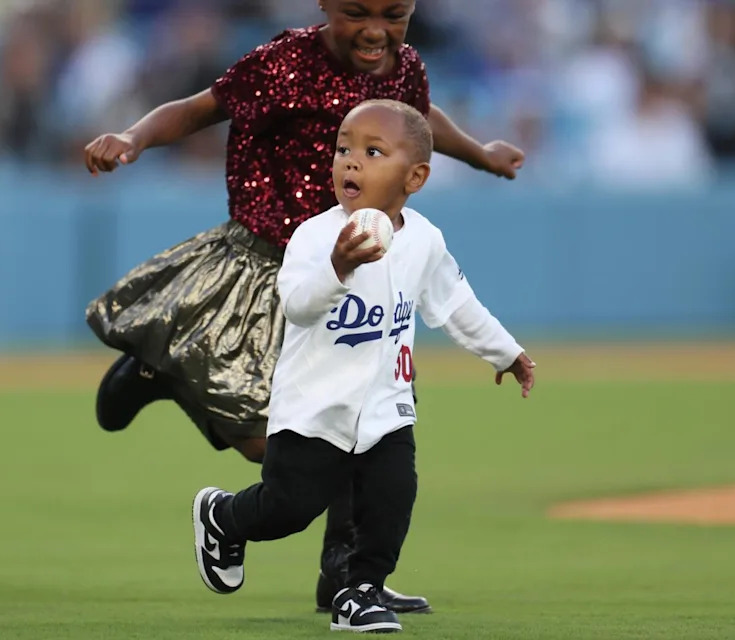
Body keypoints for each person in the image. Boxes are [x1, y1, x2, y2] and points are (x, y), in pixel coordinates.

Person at [83, 0, 525, 613]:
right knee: (280, 445)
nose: (376, 30)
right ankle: (171, 369)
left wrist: (480, 153)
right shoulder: (284, 61)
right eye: (355, 12)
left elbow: (418, 121)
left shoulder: (405, 67)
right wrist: (132, 137)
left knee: (368, 420)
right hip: (267, 263)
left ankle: (345, 578)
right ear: (324, 5)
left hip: (358, 270)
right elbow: (200, 108)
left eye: (394, 14)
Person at [191, 99, 535, 633]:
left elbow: (456, 303)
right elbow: (298, 304)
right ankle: (223, 517)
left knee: (392, 496)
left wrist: (505, 352)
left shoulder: (423, 238)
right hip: (313, 409)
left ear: (415, 176)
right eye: (343, 149)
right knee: (289, 508)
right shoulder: (316, 236)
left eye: (373, 151)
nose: (350, 162)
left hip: (386, 406)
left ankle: (361, 590)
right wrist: (339, 266)